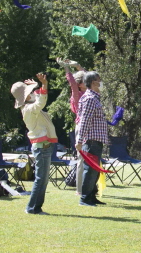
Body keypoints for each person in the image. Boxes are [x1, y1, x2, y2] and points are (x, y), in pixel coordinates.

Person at [11, 73, 57, 214]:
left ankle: (34, 207)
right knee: (40, 180)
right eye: (29, 92)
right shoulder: (30, 109)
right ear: (26, 97)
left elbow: (38, 98)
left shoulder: (28, 106)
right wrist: (43, 84)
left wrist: (35, 85)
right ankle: (32, 208)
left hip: (43, 146)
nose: (32, 93)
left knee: (42, 180)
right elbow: (41, 101)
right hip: (42, 147)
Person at [76, 71, 109, 207]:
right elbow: (84, 121)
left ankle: (91, 196)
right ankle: (84, 198)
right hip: (91, 140)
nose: (101, 82)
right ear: (94, 82)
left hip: (97, 140)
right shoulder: (90, 98)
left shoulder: (94, 98)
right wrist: (79, 141)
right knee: (90, 170)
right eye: (99, 80)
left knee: (94, 170)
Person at [57, 57, 86, 194]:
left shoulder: (88, 92)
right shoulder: (77, 94)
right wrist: (66, 68)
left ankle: (89, 187)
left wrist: (78, 66)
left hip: (89, 127)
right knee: (81, 159)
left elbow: (92, 78)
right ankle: (80, 190)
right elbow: (73, 84)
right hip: (82, 126)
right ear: (81, 84)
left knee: (90, 159)